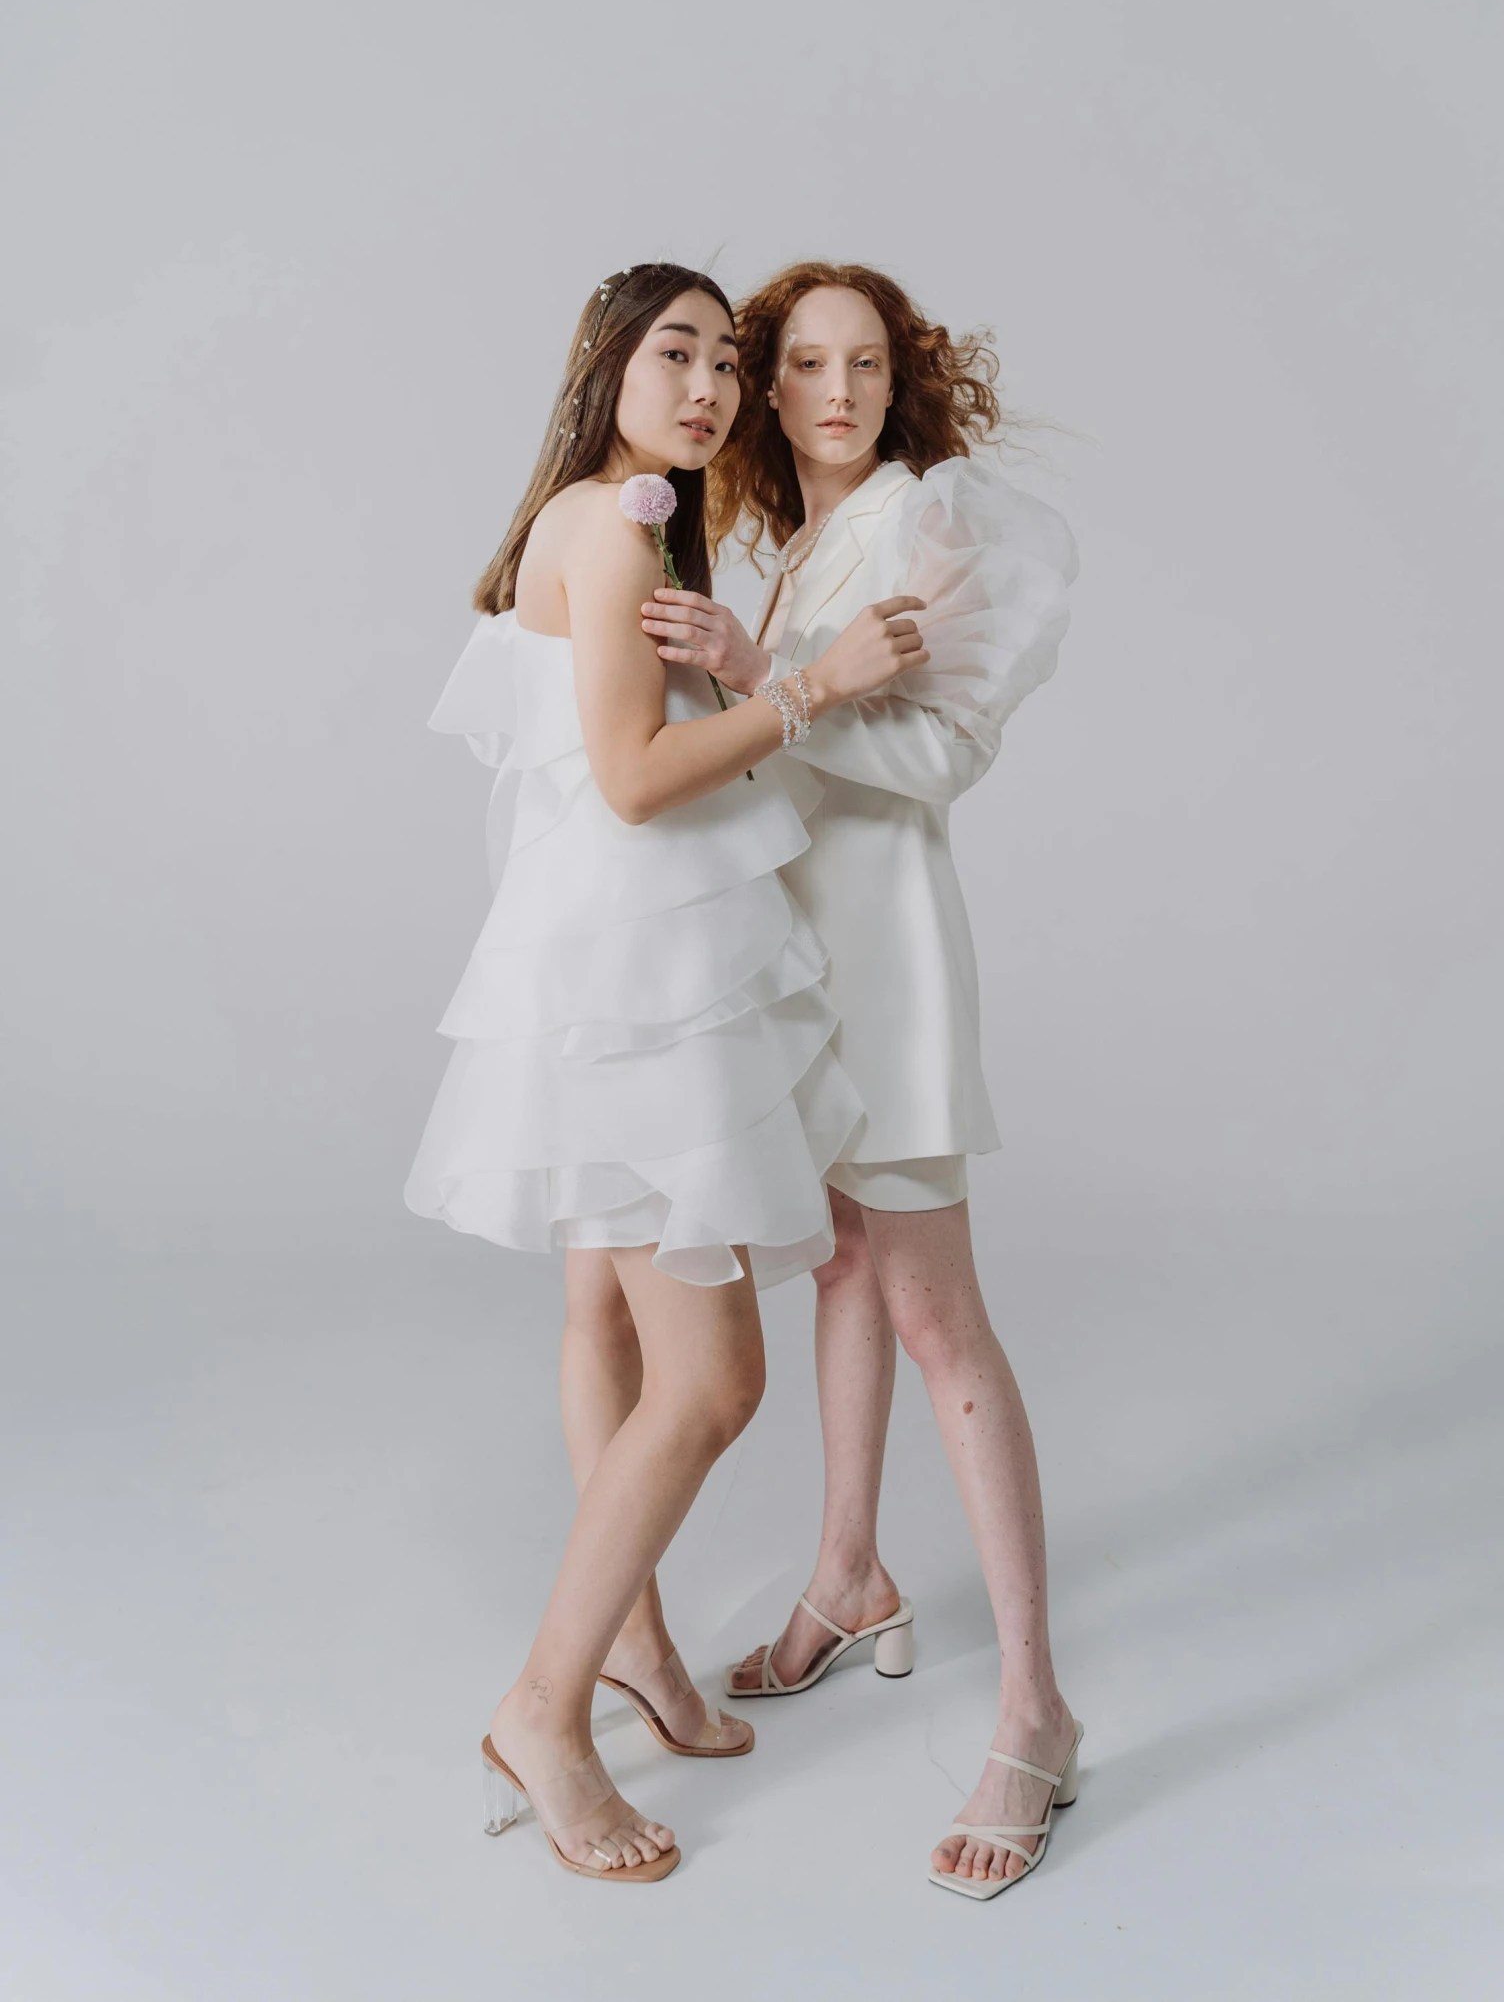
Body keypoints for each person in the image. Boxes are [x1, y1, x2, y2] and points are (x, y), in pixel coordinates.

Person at [405, 261, 929, 1883]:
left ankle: (626, 1650)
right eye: (675, 352)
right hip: (640, 988)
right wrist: (805, 689)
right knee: (711, 1380)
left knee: (609, 1328)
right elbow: (631, 783)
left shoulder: (600, 518)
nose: (707, 385)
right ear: (607, 366)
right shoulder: (612, 525)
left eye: (726, 360)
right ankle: (545, 1704)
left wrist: (736, 660)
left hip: (603, 972)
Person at [638, 261, 1081, 1900]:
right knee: (836, 1266)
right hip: (800, 968)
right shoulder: (806, 540)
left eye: (867, 362)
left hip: (885, 971)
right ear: (766, 383)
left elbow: (934, 760)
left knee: (935, 1314)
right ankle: (846, 1573)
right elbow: (772, 733)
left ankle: (1035, 1703)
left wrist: (767, 678)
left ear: (905, 382)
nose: (836, 389)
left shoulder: (921, 524)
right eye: (805, 362)